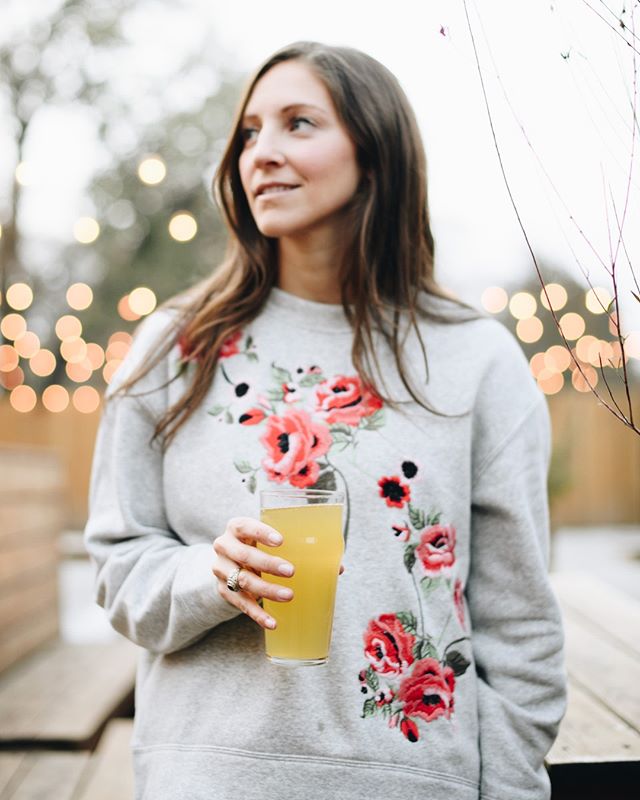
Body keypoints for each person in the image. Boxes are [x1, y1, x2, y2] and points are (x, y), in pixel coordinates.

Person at [84, 40, 566, 800]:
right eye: (249, 132)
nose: (261, 153)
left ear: (375, 156)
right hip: (211, 780)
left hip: (411, 784)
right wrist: (210, 574)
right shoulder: (176, 346)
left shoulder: (477, 360)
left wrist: (507, 789)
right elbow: (116, 568)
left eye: (298, 124)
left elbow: (521, 628)